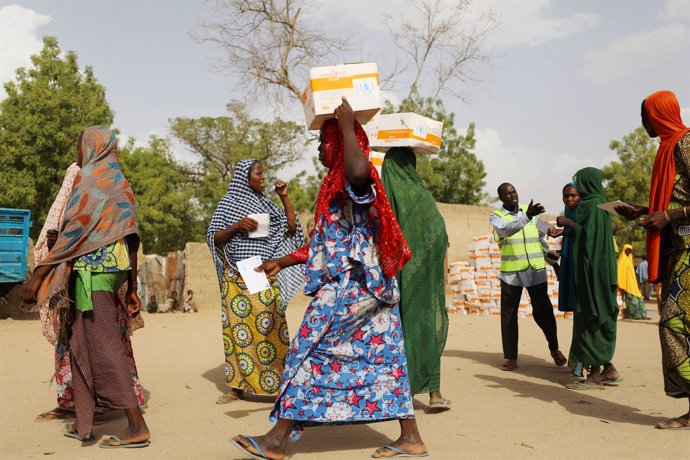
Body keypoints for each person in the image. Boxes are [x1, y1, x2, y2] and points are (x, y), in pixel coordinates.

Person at [229, 98, 427, 459]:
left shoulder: (359, 177)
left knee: (307, 350)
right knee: (384, 358)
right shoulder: (332, 183)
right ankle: (410, 437)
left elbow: (358, 172)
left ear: (341, 143)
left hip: (354, 285)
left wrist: (348, 125)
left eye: (324, 143)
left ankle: (277, 439)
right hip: (370, 287)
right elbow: (328, 240)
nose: (320, 149)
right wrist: (285, 260)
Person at [21, 126, 150, 447]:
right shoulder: (120, 183)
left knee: (104, 345)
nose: (79, 154)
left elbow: (70, 234)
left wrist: (38, 276)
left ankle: (137, 425)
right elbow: (132, 240)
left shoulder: (90, 180)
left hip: (93, 274)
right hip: (113, 273)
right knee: (81, 341)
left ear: (92, 147)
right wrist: (132, 288)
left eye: (81, 147)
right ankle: (85, 419)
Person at [616, 90, 690, 429]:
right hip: (678, 249)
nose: (642, 122)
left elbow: (678, 208)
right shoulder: (667, 149)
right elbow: (674, 199)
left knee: (673, 323)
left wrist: (669, 217)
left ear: (658, 115)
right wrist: (646, 212)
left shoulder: (685, 143)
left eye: (644, 115)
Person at [207, 158, 305, 404]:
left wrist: (284, 197)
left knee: (269, 326)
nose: (263, 177)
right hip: (236, 277)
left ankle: (278, 383)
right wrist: (236, 226)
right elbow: (214, 237)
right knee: (237, 333)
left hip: (261, 273)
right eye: (259, 173)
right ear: (245, 176)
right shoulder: (228, 203)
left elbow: (291, 227)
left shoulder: (267, 204)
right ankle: (237, 387)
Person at [380, 146, 451, 411]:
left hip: (395, 279)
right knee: (424, 326)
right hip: (424, 280)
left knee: (399, 330)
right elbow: (440, 234)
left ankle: (404, 396)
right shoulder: (423, 198)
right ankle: (434, 393)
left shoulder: (386, 199)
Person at [489, 183, 566, 371]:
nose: (512, 195)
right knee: (509, 316)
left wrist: (551, 256)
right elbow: (507, 230)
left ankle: (554, 349)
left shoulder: (528, 211)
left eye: (513, 191)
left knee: (544, 312)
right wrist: (528, 216)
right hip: (511, 273)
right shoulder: (496, 217)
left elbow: (541, 236)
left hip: (536, 270)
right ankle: (511, 357)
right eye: (507, 193)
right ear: (501, 198)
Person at [558, 167, 619, 391]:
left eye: (579, 184)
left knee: (589, 316)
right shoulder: (603, 205)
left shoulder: (590, 206)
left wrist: (570, 224)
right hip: (605, 272)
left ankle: (594, 375)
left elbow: (587, 238)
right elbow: (603, 231)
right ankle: (608, 368)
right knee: (604, 314)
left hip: (591, 273)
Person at [618, 244, 648, 320]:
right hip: (627, 285)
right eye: (627, 250)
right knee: (633, 301)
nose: (629, 252)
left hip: (633, 285)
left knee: (640, 300)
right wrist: (622, 284)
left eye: (630, 250)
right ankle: (634, 316)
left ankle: (643, 315)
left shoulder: (629, 259)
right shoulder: (622, 261)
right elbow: (620, 274)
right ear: (624, 250)